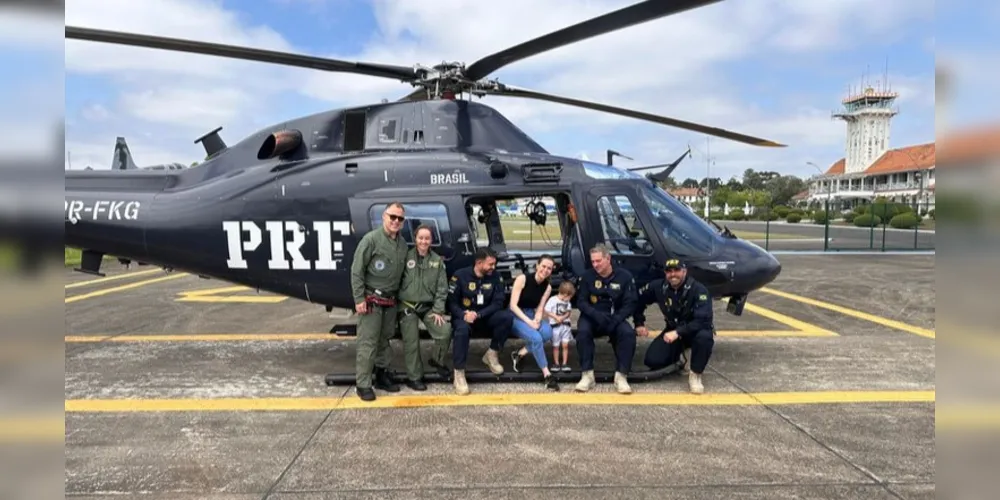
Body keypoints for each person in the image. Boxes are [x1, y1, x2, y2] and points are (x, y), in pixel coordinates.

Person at [350, 202, 410, 401]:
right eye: (392, 217)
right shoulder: (371, 240)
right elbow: (357, 271)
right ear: (384, 216)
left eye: (400, 218)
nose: (395, 221)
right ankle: (363, 383)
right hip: (371, 300)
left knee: (385, 339)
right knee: (368, 342)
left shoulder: (402, 244)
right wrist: (359, 299)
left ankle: (382, 375)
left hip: (390, 301)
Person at [633, 258, 715, 394]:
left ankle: (695, 374)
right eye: (669, 271)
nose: (673, 274)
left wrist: (678, 332)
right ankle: (682, 355)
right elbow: (637, 300)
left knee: (704, 337)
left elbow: (703, 320)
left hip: (694, 330)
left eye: (677, 270)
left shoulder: (698, 290)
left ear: (684, 271)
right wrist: (639, 323)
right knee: (653, 360)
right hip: (673, 330)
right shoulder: (659, 287)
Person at [446, 247, 513, 395]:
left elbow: (498, 303)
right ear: (479, 263)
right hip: (463, 318)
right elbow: (451, 303)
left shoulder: (495, 277)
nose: (493, 268)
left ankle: (492, 355)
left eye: (494, 264)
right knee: (461, 330)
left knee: (506, 317)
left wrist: (478, 314)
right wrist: (463, 315)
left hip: (484, 317)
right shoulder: (460, 276)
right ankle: (459, 373)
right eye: (490, 264)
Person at [574, 244, 638, 394]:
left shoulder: (624, 276)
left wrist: (616, 319)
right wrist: (595, 314)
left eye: (598, 261)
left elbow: (630, 303)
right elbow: (581, 301)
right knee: (582, 333)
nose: (595, 265)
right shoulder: (587, 277)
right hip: (592, 316)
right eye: (593, 262)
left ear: (608, 258)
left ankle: (621, 376)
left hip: (615, 317)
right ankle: (587, 375)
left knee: (628, 334)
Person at [397, 224, 452, 391]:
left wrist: (438, 310)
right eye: (420, 237)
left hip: (427, 307)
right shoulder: (405, 258)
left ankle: (437, 360)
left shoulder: (437, 262)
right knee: (411, 341)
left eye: (427, 238)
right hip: (407, 305)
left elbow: (442, 289)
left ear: (431, 240)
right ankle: (414, 377)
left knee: (444, 331)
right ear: (415, 239)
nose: (423, 241)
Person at [509, 255, 559, 391]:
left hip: (531, 313)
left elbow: (540, 308)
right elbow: (513, 305)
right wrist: (529, 323)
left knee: (548, 333)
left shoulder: (547, 287)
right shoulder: (522, 279)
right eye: (543, 266)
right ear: (537, 265)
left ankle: (520, 353)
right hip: (516, 315)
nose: (546, 270)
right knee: (536, 338)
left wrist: (537, 319)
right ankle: (547, 374)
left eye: (549, 268)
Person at [544, 280, 576, 372]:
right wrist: (556, 317)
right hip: (555, 327)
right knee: (556, 345)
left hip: (565, 326)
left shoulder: (567, 302)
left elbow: (568, 312)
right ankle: (556, 363)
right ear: (565, 294)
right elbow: (547, 310)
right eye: (569, 297)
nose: (569, 299)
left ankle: (565, 363)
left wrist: (563, 317)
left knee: (565, 345)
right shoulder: (553, 300)